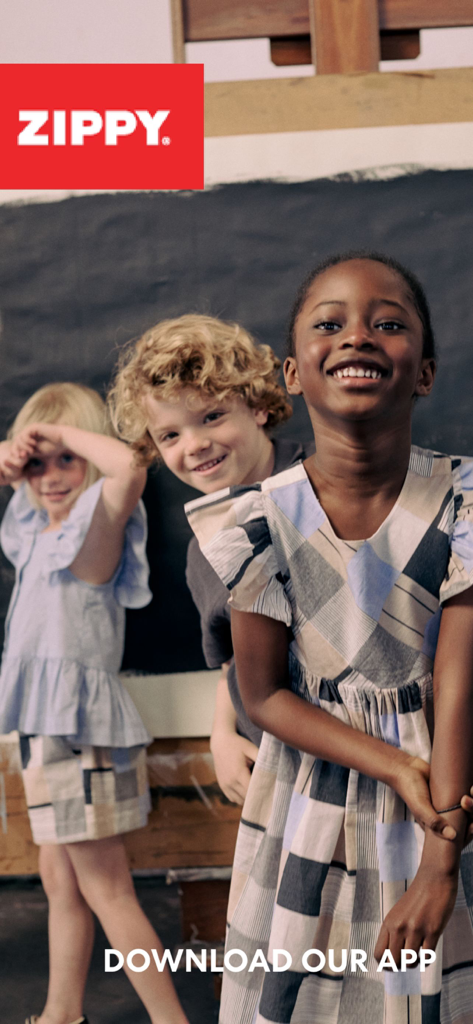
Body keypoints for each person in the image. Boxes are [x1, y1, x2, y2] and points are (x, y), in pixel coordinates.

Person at [185, 254, 473, 1023]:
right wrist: (391, 766)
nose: (358, 336)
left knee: (432, 996)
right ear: (289, 372)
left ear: (425, 372)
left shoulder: (464, 502)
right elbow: (263, 694)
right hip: (307, 802)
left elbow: (456, 688)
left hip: (449, 789)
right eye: (329, 323)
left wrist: (440, 863)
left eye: (388, 322)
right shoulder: (252, 523)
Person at [0, 383, 189, 1024]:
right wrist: (13, 451)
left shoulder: (95, 527)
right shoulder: (33, 533)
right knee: (61, 880)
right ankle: (62, 1011)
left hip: (77, 733)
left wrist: (59, 435)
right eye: (36, 464)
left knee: (108, 890)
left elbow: (131, 465)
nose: (50, 476)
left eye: (63, 460)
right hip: (43, 732)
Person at [109, 313, 312, 805]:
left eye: (211, 416)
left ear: (258, 406)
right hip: (277, 771)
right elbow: (230, 658)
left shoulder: (322, 484)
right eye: (169, 436)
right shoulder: (204, 544)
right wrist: (221, 733)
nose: (194, 446)